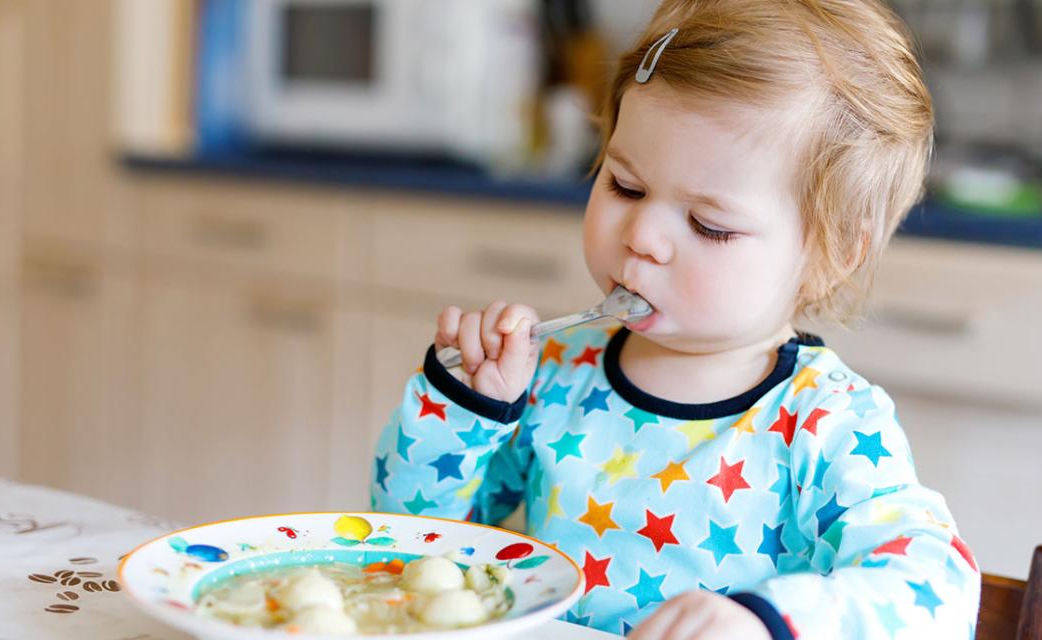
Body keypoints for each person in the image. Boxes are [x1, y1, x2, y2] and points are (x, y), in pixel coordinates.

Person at [370, 0, 981, 637]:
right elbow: (411, 551)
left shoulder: (828, 425)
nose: (643, 237)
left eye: (708, 226)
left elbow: (938, 593)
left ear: (829, 256)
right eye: (625, 187)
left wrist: (766, 622)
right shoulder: (553, 378)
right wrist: (463, 410)